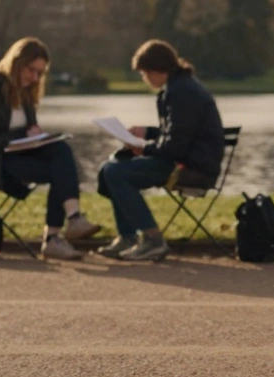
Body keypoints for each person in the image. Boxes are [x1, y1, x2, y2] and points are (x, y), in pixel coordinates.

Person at [0, 37, 101, 260]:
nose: (35, 78)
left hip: (21, 155)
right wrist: (20, 136)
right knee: (60, 171)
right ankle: (56, 236)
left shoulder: (25, 91)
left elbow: (25, 132)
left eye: (40, 73)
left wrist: (37, 136)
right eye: (31, 70)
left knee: (61, 150)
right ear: (16, 63)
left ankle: (73, 219)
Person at [95, 40, 224, 262]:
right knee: (111, 167)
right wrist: (147, 133)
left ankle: (152, 239)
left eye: (144, 74)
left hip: (192, 168)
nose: (145, 79)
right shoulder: (181, 86)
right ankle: (128, 237)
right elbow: (177, 134)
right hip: (190, 160)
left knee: (115, 172)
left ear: (155, 70)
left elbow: (175, 146)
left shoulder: (180, 92)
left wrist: (142, 146)